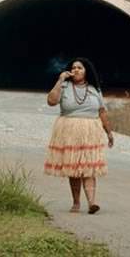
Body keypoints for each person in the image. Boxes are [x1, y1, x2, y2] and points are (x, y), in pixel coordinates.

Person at [44, 58, 114, 214]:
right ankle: (76, 203)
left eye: (80, 68)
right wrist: (60, 79)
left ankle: (92, 203)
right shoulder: (64, 86)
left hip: (90, 131)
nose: (76, 70)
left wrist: (108, 132)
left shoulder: (95, 89)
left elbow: (102, 112)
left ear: (86, 71)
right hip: (69, 131)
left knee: (89, 168)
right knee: (74, 167)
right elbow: (51, 101)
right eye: (73, 67)